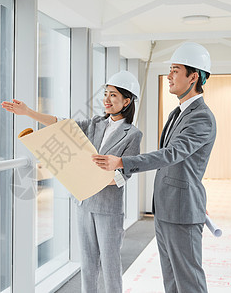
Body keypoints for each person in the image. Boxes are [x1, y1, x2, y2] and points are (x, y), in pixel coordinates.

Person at [1, 71, 142, 293]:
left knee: (110, 265)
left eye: (113, 95)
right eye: (105, 94)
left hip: (108, 208)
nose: (106, 99)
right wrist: (28, 112)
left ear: (127, 100)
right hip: (84, 204)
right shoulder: (96, 123)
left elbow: (125, 174)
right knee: (87, 265)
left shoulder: (133, 134)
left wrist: (104, 174)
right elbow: (63, 125)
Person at [92, 42, 216, 293]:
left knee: (188, 282)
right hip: (166, 208)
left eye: (175, 70)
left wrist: (123, 162)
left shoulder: (201, 116)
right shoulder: (177, 113)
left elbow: (172, 154)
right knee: (171, 280)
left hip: (182, 211)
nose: (169, 76)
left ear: (194, 77)